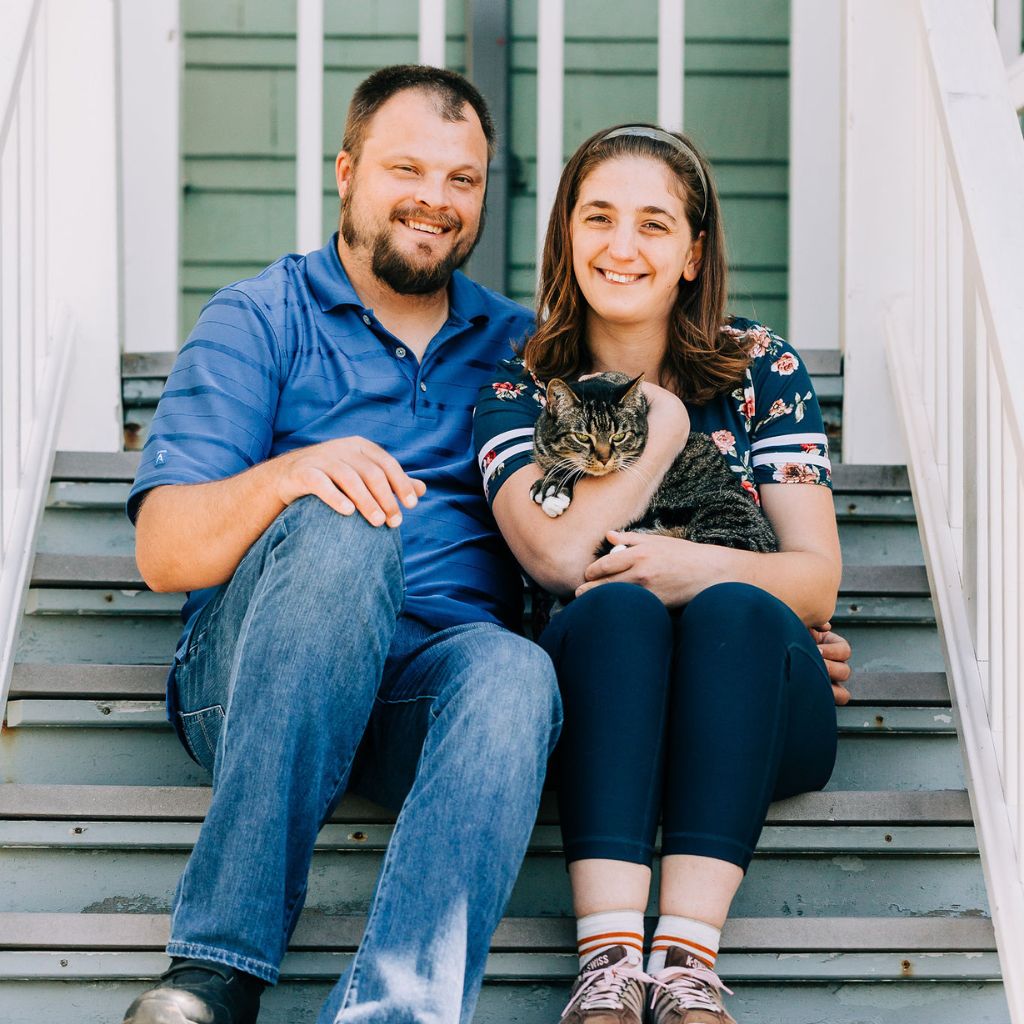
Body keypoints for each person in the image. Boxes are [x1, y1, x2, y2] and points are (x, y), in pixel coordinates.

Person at [120, 65, 563, 1024]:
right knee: (342, 529)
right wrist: (292, 475)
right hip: (257, 681)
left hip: (431, 698)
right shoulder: (260, 317)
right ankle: (218, 970)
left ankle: (396, 1013)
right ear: (347, 171)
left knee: (515, 671)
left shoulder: (524, 349)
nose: (436, 202)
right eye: (409, 169)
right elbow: (162, 550)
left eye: (463, 180)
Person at [473, 124, 853, 1024]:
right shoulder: (520, 383)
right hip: (604, 709)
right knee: (611, 616)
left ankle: (685, 965)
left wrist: (691, 565)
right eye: (599, 218)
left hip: (756, 697)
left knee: (741, 610)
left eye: (653, 224)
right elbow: (556, 558)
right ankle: (607, 962)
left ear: (693, 252)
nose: (622, 246)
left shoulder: (763, 366)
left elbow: (816, 582)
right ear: (568, 234)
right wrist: (664, 430)